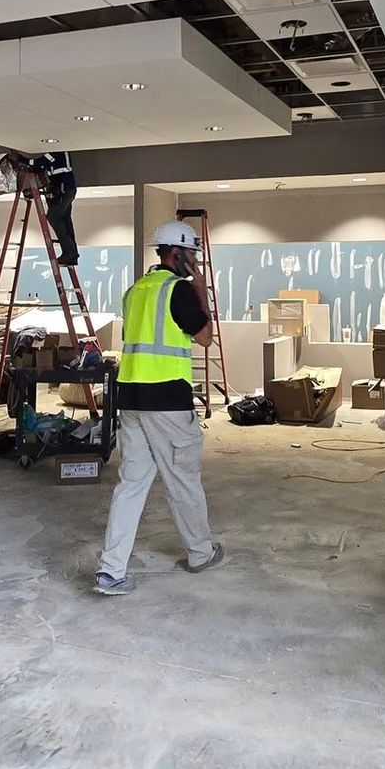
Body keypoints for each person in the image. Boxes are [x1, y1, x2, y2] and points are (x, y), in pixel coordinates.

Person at [94, 221, 224, 595]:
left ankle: (111, 571)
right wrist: (201, 293)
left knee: (130, 486)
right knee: (183, 480)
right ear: (177, 253)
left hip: (131, 401)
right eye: (192, 255)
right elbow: (205, 339)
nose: (196, 262)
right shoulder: (179, 290)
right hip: (167, 402)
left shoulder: (136, 291)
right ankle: (200, 553)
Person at [20, 150, 79, 266]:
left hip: (64, 191)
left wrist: (19, 159)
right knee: (65, 219)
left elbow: (37, 163)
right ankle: (71, 255)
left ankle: (70, 253)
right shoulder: (58, 154)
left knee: (53, 217)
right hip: (66, 190)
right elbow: (41, 166)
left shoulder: (55, 153)